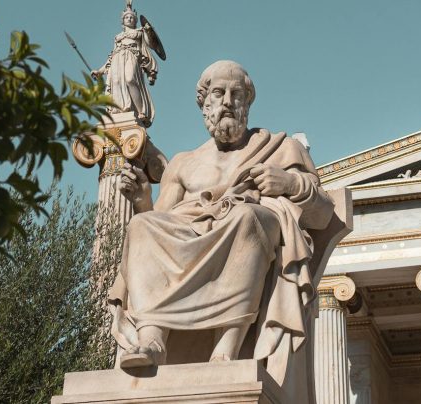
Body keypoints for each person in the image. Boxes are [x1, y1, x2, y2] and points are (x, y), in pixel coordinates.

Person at [108, 61, 337, 384]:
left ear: (247, 102)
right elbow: (159, 222)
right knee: (139, 228)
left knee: (247, 218)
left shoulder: (281, 149)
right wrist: (143, 200)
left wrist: (289, 183)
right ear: (205, 103)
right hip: (189, 239)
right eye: (218, 92)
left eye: (236, 93)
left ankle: (226, 347)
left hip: (241, 233)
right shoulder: (183, 163)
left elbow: (324, 212)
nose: (228, 101)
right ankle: (152, 338)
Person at [91, 2, 158, 126]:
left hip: (131, 56)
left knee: (130, 79)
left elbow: (151, 44)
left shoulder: (139, 32)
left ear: (135, 20)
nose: (129, 19)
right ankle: (118, 111)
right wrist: (100, 71)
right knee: (115, 82)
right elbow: (111, 56)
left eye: (132, 17)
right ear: (123, 20)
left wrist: (148, 31)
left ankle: (140, 111)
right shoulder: (118, 37)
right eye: (127, 17)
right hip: (117, 59)